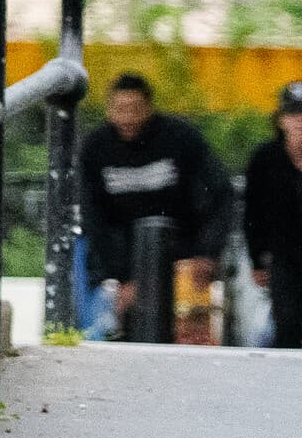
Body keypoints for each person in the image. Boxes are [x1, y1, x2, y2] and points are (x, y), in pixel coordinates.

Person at [79, 72, 228, 343]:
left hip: (182, 256)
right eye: (119, 109)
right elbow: (94, 218)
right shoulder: (95, 148)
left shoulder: (181, 138)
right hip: (122, 258)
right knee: (121, 329)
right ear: (108, 109)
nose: (127, 119)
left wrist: (208, 252)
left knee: (188, 334)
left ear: (148, 107)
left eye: (134, 110)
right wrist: (120, 277)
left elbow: (219, 193)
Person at [238, 83, 302, 351]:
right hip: (284, 258)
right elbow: (252, 211)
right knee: (287, 323)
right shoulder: (265, 159)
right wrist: (257, 258)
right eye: (293, 115)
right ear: (281, 120)